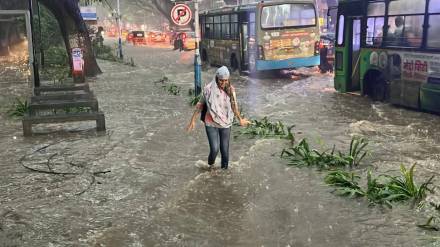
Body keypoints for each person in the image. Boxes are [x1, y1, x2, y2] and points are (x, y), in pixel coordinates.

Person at [186, 66, 250, 170]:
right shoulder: (208, 90)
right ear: (216, 78)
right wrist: (192, 121)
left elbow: (234, 106)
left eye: (225, 80)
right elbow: (200, 105)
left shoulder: (231, 90)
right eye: (221, 80)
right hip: (211, 123)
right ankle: (210, 167)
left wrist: (240, 119)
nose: (223, 83)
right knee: (214, 149)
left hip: (226, 123)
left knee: (225, 151)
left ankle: (224, 175)